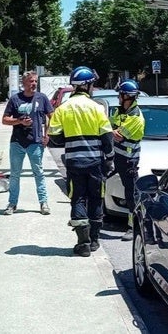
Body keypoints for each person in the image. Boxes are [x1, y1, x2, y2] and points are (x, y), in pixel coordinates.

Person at [48, 66, 114, 257]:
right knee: (96, 198)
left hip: (74, 163)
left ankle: (82, 243)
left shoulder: (63, 108)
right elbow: (107, 136)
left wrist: (70, 139)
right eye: (92, 84)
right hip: (95, 163)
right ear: (86, 85)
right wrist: (109, 159)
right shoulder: (97, 107)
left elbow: (54, 137)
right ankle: (94, 241)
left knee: (77, 198)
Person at [1, 70, 54, 215]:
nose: (34, 84)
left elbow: (52, 117)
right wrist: (19, 121)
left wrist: (46, 135)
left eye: (35, 81)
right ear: (23, 83)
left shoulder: (42, 98)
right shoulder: (15, 99)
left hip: (35, 142)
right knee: (15, 174)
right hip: (17, 142)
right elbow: (4, 120)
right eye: (31, 81)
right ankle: (12, 203)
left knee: (39, 173)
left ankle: (43, 203)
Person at [110, 79, 145, 241]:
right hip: (118, 158)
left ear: (127, 96)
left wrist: (110, 130)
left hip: (129, 160)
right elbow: (111, 126)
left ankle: (133, 227)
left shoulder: (135, 117)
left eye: (120, 94)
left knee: (131, 194)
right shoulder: (120, 111)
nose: (118, 97)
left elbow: (117, 136)